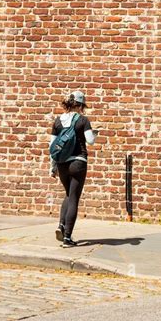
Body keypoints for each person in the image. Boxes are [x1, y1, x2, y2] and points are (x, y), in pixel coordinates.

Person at [51, 90, 95, 248]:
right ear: (81, 105)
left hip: (62, 163)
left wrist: (53, 167)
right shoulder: (83, 120)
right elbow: (90, 141)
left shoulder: (57, 121)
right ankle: (67, 238)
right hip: (78, 162)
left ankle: (61, 225)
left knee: (68, 194)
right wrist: (94, 133)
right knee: (74, 197)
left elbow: (52, 147)